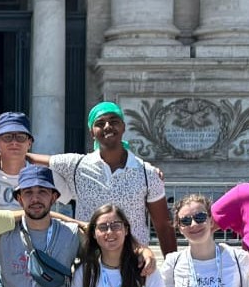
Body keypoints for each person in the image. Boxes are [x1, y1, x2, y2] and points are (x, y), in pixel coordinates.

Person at [47, 102, 176, 251]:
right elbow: (25, 158)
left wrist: (171, 268)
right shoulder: (76, 165)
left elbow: (163, 226)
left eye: (114, 121)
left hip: (134, 263)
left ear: (123, 126)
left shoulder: (148, 174)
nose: (108, 126)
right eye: (100, 123)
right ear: (91, 132)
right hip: (91, 262)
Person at [0, 112, 45, 211]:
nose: (14, 142)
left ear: (29, 143)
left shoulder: (43, 178)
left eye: (20, 137)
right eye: (7, 137)